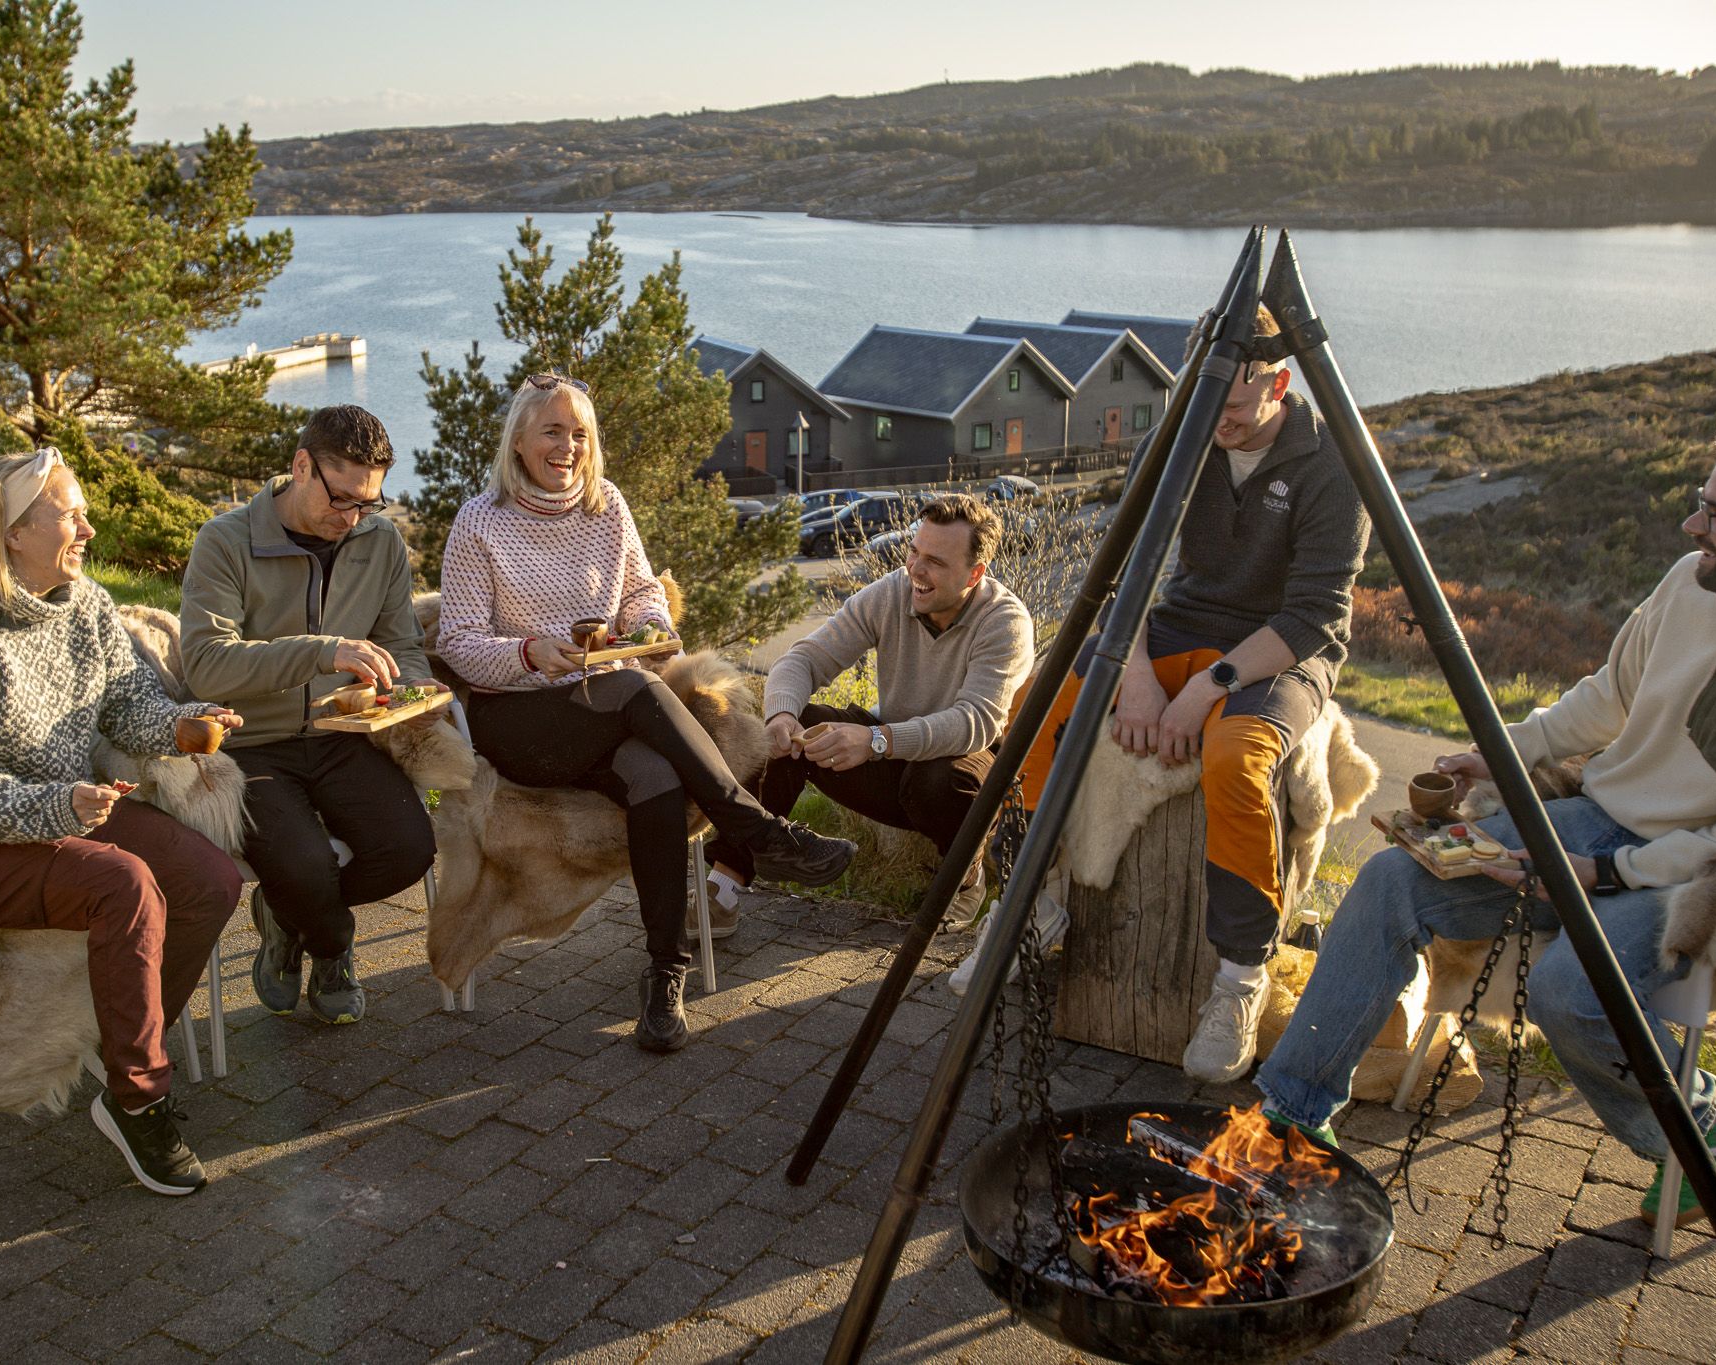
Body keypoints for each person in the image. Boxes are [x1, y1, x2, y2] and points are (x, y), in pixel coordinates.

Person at [1259, 457, 1716, 1229]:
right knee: (1390, 882)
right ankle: (1294, 1114)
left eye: (1714, 514)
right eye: (1702, 503)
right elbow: (1610, 695)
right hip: (1597, 816)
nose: (1692, 525)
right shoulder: (1688, 580)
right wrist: (1506, 752)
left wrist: (1601, 871)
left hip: (1688, 878)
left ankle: (1694, 1130)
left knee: (1571, 996)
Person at [992, 307, 1371, 1080]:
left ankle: (1239, 974)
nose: (1218, 422)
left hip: (1280, 650)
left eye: (1235, 407)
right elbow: (1124, 574)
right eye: (1205, 403)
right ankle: (1036, 895)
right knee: (1036, 704)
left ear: (1281, 382)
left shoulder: (1334, 465)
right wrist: (1131, 678)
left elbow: (1315, 615)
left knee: (1237, 758)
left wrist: (1208, 687)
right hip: (1172, 625)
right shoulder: (1181, 436)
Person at [436, 373, 857, 1053]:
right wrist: (529, 651)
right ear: (517, 440)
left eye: (580, 433)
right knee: (635, 691)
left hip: (610, 708)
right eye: (552, 430)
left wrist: (645, 629)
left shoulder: (607, 508)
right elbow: (455, 643)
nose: (569, 446)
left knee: (656, 773)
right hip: (519, 719)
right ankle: (754, 827)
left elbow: (642, 597)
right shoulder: (479, 521)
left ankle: (666, 977)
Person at [0, 448, 245, 1197]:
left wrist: (182, 725)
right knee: (125, 884)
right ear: (11, 531)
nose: (87, 525)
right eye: (69, 512)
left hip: (63, 810)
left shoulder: (85, 603)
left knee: (209, 879)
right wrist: (59, 805)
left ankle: (123, 1059)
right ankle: (142, 1097)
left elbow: (126, 704)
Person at [180, 406, 437, 1026]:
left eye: (367, 503)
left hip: (340, 736)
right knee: (301, 864)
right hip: (250, 746)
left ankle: (285, 914)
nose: (351, 519)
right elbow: (207, 666)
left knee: (409, 849)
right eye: (341, 498)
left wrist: (417, 691)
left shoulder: (379, 543)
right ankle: (329, 947)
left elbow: (402, 645)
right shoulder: (225, 541)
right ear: (301, 466)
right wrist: (323, 651)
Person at [705, 494, 1034, 935]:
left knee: (937, 780)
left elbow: (975, 722)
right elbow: (801, 660)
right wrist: (780, 717)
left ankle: (965, 877)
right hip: (888, 757)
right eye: (914, 551)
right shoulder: (893, 593)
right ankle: (722, 889)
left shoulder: (1004, 621)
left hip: (965, 764)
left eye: (935, 561)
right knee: (792, 723)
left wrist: (877, 741)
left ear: (975, 573)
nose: (916, 569)